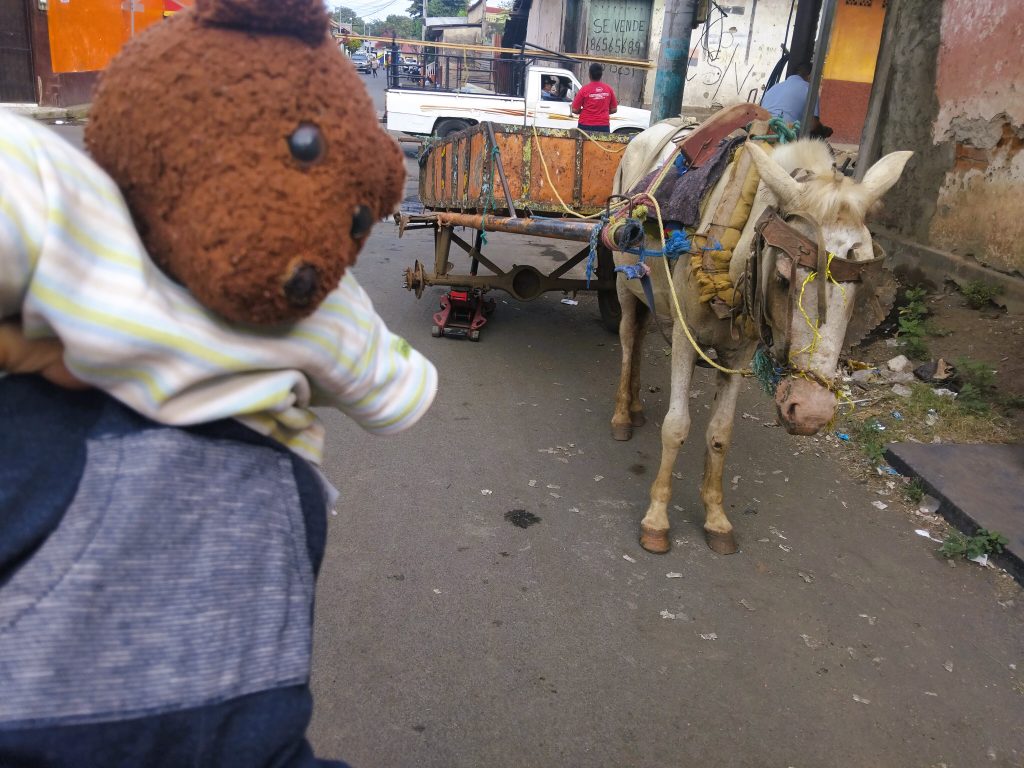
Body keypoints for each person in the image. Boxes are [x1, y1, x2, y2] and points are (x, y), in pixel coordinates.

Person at [760, 61, 833, 139]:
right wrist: (823, 130)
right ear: (810, 76)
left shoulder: (774, 87)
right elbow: (813, 125)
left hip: (761, 130)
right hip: (784, 135)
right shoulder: (810, 90)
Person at [571, 62, 617, 133]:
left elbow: (574, 110)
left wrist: (586, 112)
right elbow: (614, 109)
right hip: (603, 126)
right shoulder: (608, 89)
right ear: (601, 75)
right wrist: (602, 112)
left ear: (589, 74)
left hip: (585, 125)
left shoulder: (584, 90)